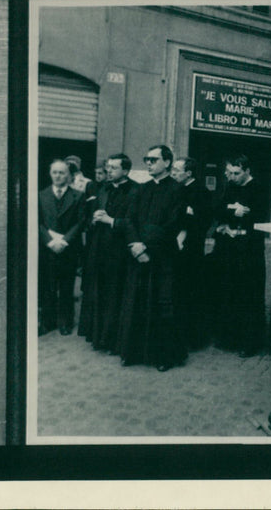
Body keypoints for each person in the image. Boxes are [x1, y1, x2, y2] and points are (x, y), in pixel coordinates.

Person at [118, 145, 187, 371]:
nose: (148, 163)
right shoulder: (141, 189)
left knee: (163, 305)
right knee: (136, 302)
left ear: (167, 162)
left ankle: (163, 357)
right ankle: (134, 353)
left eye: (153, 159)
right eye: (146, 159)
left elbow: (173, 223)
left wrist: (146, 245)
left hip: (163, 257)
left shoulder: (178, 190)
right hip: (138, 255)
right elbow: (129, 220)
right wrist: (135, 246)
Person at [77, 153, 139, 352]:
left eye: (113, 168)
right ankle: (99, 338)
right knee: (99, 292)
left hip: (120, 253)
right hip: (99, 249)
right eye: (108, 167)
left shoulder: (136, 191)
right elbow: (87, 219)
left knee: (116, 295)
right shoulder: (102, 189)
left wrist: (110, 220)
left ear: (126, 170)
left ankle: (113, 341)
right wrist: (93, 220)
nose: (108, 171)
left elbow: (134, 223)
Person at [210, 153, 269, 357]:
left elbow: (263, 216)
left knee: (248, 295)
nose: (232, 177)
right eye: (230, 173)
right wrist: (232, 213)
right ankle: (230, 338)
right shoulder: (229, 186)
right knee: (229, 292)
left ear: (247, 171)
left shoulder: (259, 188)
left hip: (249, 250)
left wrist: (247, 214)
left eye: (236, 173)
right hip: (230, 248)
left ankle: (250, 342)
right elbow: (216, 209)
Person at [170, 156, 213, 350]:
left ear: (189, 173)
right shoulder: (176, 189)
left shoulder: (201, 192)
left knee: (190, 293)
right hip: (176, 247)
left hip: (191, 250)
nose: (173, 173)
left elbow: (202, 221)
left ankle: (193, 338)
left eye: (177, 170)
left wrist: (186, 218)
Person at [38, 159, 84, 335]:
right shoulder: (41, 195)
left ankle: (65, 322)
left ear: (69, 175)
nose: (58, 176)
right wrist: (49, 241)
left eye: (62, 173)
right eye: (55, 172)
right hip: (47, 248)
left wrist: (64, 241)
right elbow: (38, 222)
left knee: (66, 286)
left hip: (68, 248)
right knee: (47, 285)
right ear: (50, 174)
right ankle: (47, 321)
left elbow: (80, 222)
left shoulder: (78, 196)